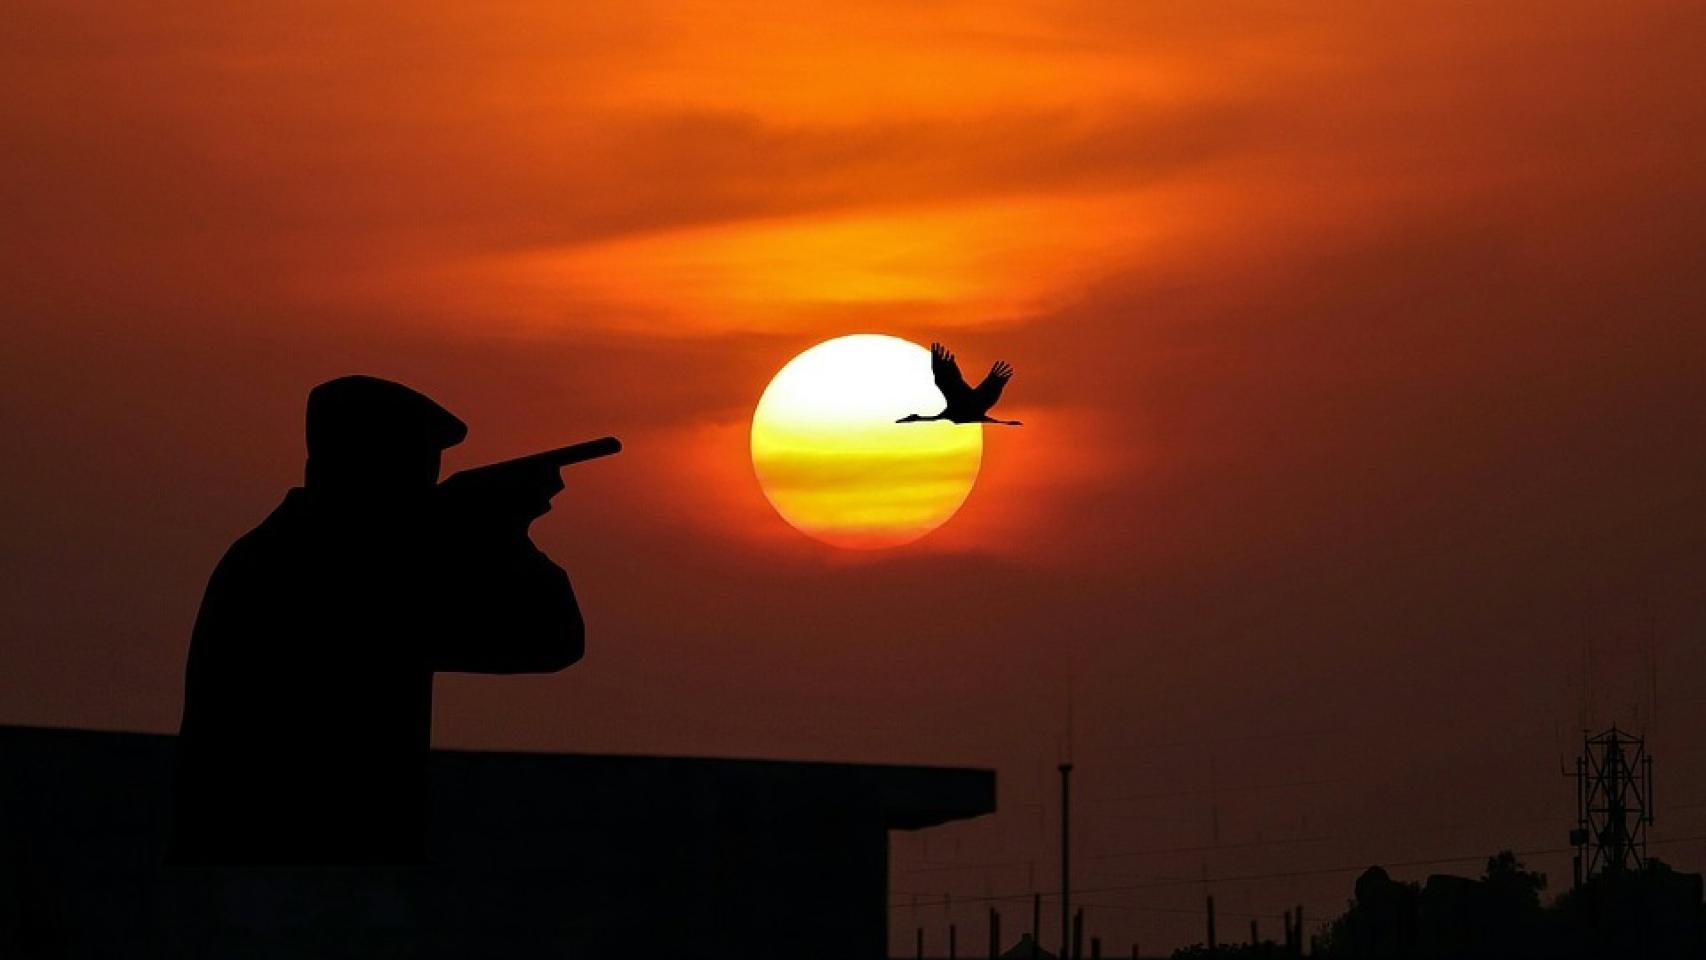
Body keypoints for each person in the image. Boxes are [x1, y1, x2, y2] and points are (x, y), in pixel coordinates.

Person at [170, 376, 585, 864]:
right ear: (376, 466)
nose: (427, 485)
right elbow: (551, 636)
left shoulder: (277, 553)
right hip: (305, 866)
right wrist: (505, 530)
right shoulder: (337, 573)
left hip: (271, 859)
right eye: (418, 467)